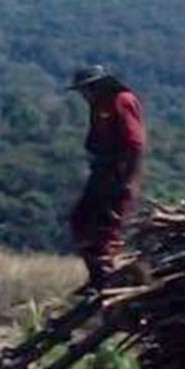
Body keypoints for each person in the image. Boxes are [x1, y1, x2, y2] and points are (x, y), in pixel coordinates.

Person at [66, 65, 146, 291]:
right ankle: (97, 275)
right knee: (80, 220)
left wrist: (129, 180)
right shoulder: (98, 105)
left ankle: (106, 275)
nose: (84, 95)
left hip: (119, 173)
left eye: (86, 89)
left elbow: (135, 144)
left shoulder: (121, 100)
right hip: (102, 171)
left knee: (107, 225)